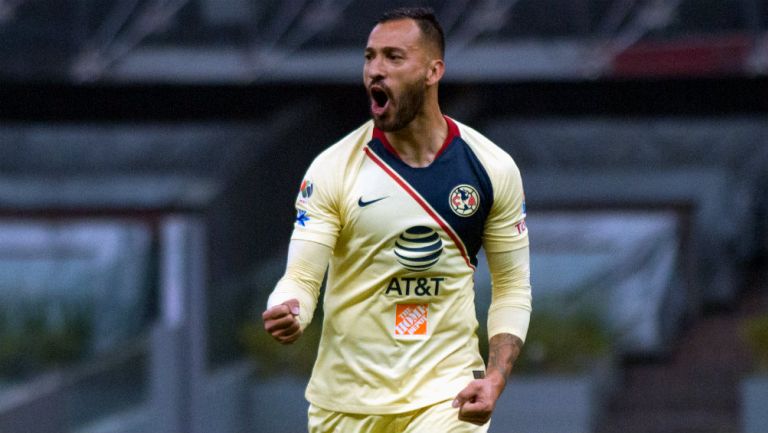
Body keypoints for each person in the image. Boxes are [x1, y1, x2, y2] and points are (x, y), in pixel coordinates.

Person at [262, 6, 531, 433]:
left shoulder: (491, 168)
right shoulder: (333, 168)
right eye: (370, 57)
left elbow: (513, 285)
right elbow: (302, 278)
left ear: (432, 70)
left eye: (393, 57)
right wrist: (288, 308)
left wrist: (495, 377)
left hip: (446, 397)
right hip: (346, 404)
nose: (376, 70)